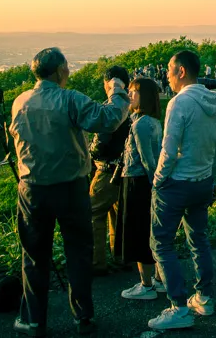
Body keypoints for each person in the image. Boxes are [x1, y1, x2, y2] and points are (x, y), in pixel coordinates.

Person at [9, 47, 129, 336]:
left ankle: (34, 320)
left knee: (34, 256)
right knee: (78, 252)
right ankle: (83, 317)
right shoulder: (70, 99)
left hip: (32, 189)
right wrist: (117, 90)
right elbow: (108, 119)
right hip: (70, 187)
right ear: (60, 71)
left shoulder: (20, 101)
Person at [148, 50, 216, 331]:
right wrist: (213, 180)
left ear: (181, 71)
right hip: (203, 180)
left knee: (161, 242)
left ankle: (178, 306)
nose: (166, 75)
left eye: (169, 69)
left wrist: (158, 179)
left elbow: (168, 149)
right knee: (198, 239)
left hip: (177, 183)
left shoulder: (179, 103)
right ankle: (204, 296)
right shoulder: (215, 102)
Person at [118, 78, 164, 301]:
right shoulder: (153, 121)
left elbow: (147, 160)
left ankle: (146, 284)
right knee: (150, 231)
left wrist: (155, 184)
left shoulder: (140, 124)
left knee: (138, 233)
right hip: (145, 182)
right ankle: (158, 279)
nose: (130, 95)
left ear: (144, 96)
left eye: (134, 92)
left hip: (137, 182)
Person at [88, 66, 132, 275]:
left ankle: (96, 262)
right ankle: (121, 257)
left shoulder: (109, 110)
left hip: (106, 171)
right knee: (118, 214)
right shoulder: (131, 108)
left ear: (108, 84)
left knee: (94, 213)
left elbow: (100, 144)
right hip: (125, 169)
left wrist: (90, 151)